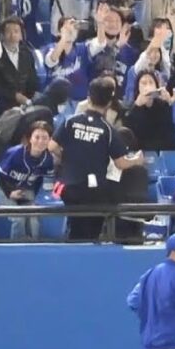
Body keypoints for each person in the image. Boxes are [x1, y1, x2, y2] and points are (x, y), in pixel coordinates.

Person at [48, 76, 142, 241]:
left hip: (69, 189)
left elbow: (52, 146)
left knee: (75, 230)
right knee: (90, 235)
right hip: (94, 192)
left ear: (89, 98)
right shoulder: (108, 130)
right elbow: (120, 163)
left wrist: (67, 156)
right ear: (109, 102)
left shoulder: (71, 121)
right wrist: (136, 160)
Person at [0, 121, 55, 240]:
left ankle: (34, 245)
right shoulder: (15, 153)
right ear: (30, 139)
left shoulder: (48, 159)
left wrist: (33, 198)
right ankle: (17, 247)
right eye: (37, 137)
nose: (40, 141)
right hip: (4, 187)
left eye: (45, 138)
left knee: (34, 217)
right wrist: (9, 192)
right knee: (19, 218)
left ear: (50, 140)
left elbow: (40, 179)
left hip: (25, 189)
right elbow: (0, 174)